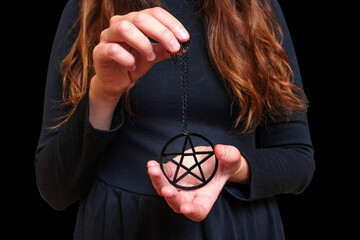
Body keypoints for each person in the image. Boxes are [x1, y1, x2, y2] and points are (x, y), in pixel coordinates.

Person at [35, 0, 315, 239]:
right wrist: (104, 94)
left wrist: (233, 166)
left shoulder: (256, 7)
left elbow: (299, 161)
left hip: (237, 228)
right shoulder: (89, 7)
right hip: (117, 226)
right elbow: (55, 188)